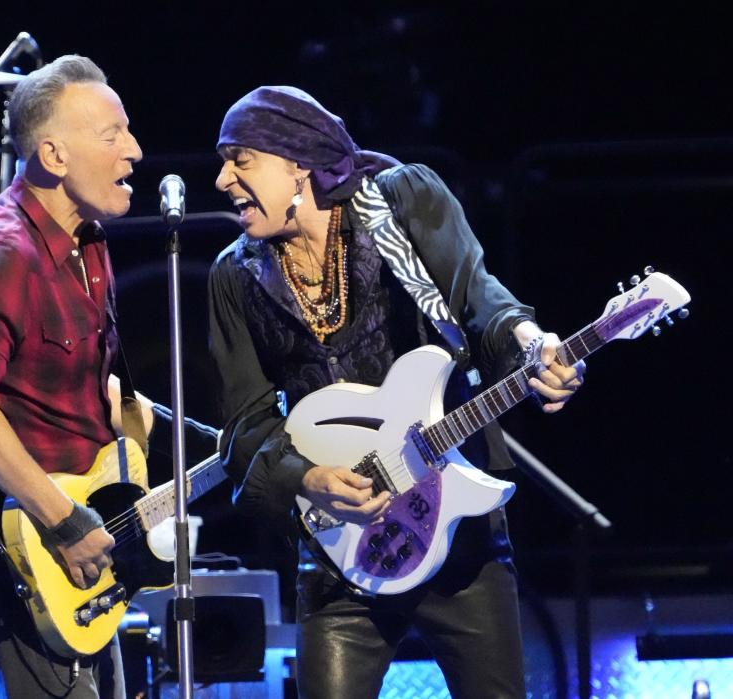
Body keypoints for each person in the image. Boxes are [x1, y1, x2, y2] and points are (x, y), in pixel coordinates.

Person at [207, 86, 585, 699]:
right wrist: (307, 478)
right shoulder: (236, 275)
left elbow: (480, 303)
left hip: (457, 535)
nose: (223, 179)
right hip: (341, 552)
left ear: (297, 162)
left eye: (239, 159)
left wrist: (530, 340)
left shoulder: (400, 202)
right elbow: (245, 426)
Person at [0, 55, 149, 699]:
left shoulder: (88, 244)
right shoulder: (4, 251)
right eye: (112, 136)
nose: (133, 151)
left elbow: (70, 393)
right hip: (16, 544)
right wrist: (65, 521)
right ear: (54, 155)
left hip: (75, 549)